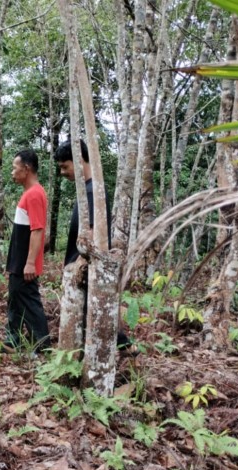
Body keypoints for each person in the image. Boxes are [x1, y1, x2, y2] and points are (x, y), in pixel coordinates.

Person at [55, 139, 133, 351]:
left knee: (93, 315)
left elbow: (91, 235)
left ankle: (121, 345)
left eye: (65, 166)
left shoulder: (92, 192)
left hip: (86, 267)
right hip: (81, 267)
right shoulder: (88, 190)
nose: (63, 172)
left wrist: (80, 262)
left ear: (79, 161)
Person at [4, 149, 50, 351]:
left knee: (29, 302)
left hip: (25, 263)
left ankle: (42, 343)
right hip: (19, 261)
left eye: (15, 168)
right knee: (15, 297)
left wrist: (30, 262)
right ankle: (12, 340)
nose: (13, 172)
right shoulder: (30, 193)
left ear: (27, 168)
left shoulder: (34, 194)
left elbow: (38, 230)